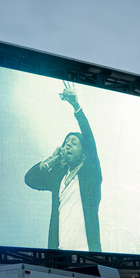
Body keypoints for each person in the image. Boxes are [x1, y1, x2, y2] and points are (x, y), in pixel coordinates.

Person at [25, 86, 102, 252]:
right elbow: (30, 179)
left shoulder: (90, 173)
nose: (68, 145)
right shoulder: (59, 178)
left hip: (87, 251)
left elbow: (89, 139)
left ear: (83, 154)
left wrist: (76, 107)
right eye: (66, 143)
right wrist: (52, 160)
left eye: (73, 143)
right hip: (60, 253)